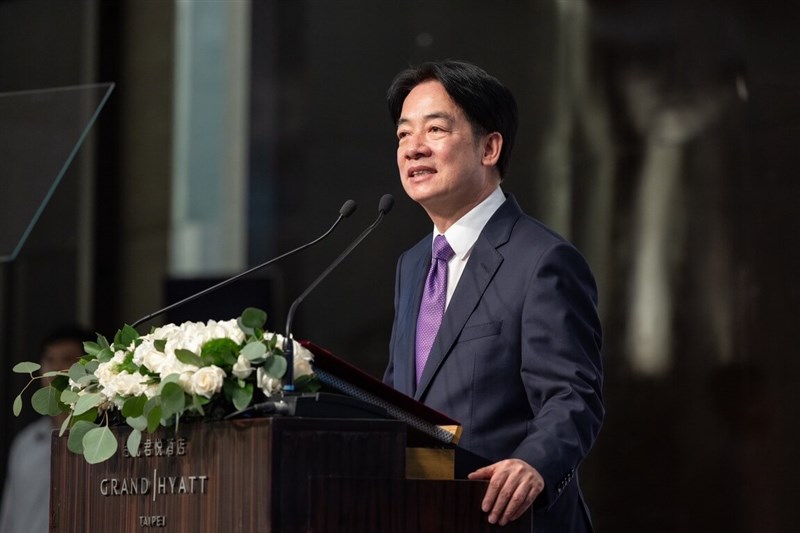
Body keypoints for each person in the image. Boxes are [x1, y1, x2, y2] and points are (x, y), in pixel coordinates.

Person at [383, 60, 604, 531]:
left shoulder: (542, 260)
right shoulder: (412, 264)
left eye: (435, 129)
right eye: (403, 135)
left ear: (490, 147)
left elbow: (572, 397)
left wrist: (534, 465)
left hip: (507, 518)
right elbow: (402, 400)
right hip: (424, 513)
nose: (413, 148)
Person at [0, 325, 91, 533]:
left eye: (67, 359)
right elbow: (10, 512)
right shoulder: (26, 442)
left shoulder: (100, 439)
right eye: (49, 360)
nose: (55, 369)